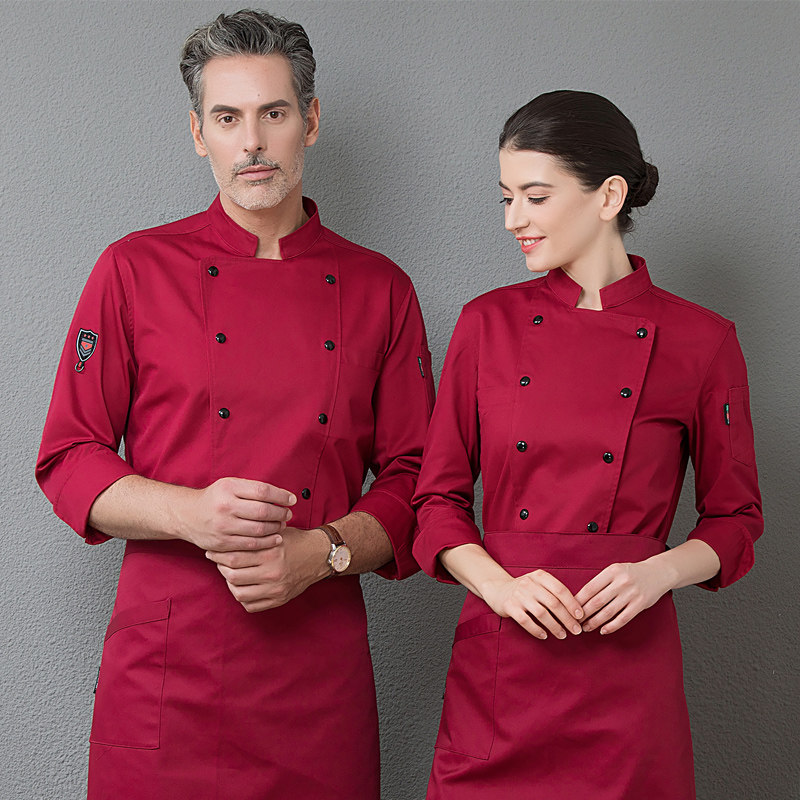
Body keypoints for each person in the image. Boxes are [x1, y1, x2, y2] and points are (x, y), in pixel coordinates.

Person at [36, 9, 434, 799]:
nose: (251, 142)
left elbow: (417, 481)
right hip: (167, 668)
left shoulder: (381, 289)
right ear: (199, 134)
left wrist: (321, 551)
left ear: (310, 122)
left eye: (273, 114)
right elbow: (68, 458)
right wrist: (192, 513)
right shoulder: (132, 270)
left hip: (315, 676)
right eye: (227, 118)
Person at [412, 90, 762, 799]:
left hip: (627, 681)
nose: (513, 219)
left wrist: (657, 572)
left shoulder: (702, 340)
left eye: (535, 197)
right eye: (506, 197)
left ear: (609, 196)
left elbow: (736, 521)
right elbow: (436, 504)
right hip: (504, 667)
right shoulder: (486, 325)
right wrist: (500, 587)